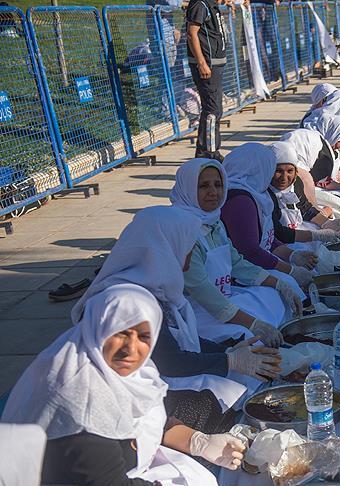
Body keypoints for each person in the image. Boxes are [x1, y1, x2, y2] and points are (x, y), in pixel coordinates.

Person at [1, 283, 245, 485]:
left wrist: (197, 441)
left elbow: (156, 416)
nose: (131, 349)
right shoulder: (79, 406)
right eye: (120, 333)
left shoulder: (113, 369)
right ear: (97, 328)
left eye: (144, 336)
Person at [69, 206, 261, 426]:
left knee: (234, 383)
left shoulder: (153, 285)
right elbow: (169, 360)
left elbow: (175, 341)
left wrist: (226, 350)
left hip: (150, 380)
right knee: (215, 400)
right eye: (187, 246)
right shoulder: (128, 303)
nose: (190, 253)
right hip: (122, 405)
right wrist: (229, 360)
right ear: (167, 248)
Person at [171, 158, 301, 346]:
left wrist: (280, 284)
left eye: (218, 184)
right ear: (188, 189)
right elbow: (203, 292)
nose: (213, 192)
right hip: (196, 312)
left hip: (223, 296)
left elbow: (237, 263)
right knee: (247, 336)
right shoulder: (182, 231)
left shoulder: (213, 221)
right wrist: (254, 324)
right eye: (203, 186)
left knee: (272, 297)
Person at [220, 143, 314, 293]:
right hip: (236, 277)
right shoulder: (240, 200)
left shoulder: (257, 193)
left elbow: (267, 239)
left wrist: (293, 255)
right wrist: (290, 270)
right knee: (285, 289)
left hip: (254, 266)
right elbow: (250, 251)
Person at [185, 0, 227, 161]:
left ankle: (206, 149)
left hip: (215, 64)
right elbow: (191, 33)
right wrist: (202, 63)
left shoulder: (212, 5)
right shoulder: (200, 4)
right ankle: (208, 152)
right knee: (212, 110)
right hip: (207, 65)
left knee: (215, 109)